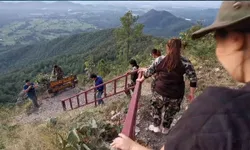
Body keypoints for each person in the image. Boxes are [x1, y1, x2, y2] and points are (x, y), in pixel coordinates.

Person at [111, 1, 250, 150]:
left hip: (159, 92)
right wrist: (191, 94)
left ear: (236, 40)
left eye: (217, 40)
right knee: (170, 113)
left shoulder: (217, 107)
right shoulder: (185, 62)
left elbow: (150, 71)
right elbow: (193, 78)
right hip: (176, 95)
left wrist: (132, 147)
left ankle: (156, 126)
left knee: (157, 110)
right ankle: (165, 128)